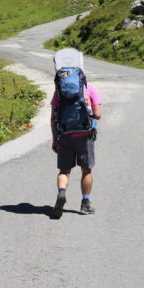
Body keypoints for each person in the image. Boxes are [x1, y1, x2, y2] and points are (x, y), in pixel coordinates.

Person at [50, 54, 102, 218]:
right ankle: (85, 203)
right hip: (85, 134)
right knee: (86, 170)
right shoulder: (90, 88)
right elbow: (98, 114)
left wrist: (55, 139)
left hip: (65, 134)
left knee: (64, 170)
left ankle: (62, 193)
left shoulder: (59, 91)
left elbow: (53, 117)